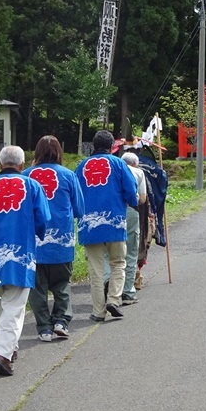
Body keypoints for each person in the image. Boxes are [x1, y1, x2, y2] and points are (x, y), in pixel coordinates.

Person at [0, 146, 50, 376]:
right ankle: (3, 354)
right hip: (21, 254)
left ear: (0, 164)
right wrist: (39, 232)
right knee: (14, 307)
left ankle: (9, 348)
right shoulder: (32, 186)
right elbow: (43, 219)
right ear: (23, 166)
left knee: (0, 304)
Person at [23, 135, 85, 341]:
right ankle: (61, 321)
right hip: (62, 240)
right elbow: (79, 209)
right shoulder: (68, 175)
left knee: (37, 287)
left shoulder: (25, 176)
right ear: (60, 152)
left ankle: (44, 328)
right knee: (62, 283)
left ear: (36, 153)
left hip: (33, 243)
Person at [75, 131, 138, 321]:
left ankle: (98, 311)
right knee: (118, 262)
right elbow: (131, 191)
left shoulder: (81, 166)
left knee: (96, 269)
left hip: (89, 224)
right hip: (114, 222)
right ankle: (114, 299)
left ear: (93, 146)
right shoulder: (119, 164)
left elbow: (75, 195)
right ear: (112, 146)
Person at [120, 151, 148, 304]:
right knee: (131, 251)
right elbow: (142, 198)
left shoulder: (114, 170)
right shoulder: (138, 172)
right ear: (134, 163)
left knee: (111, 252)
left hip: (112, 212)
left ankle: (111, 287)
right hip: (131, 211)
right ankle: (128, 291)